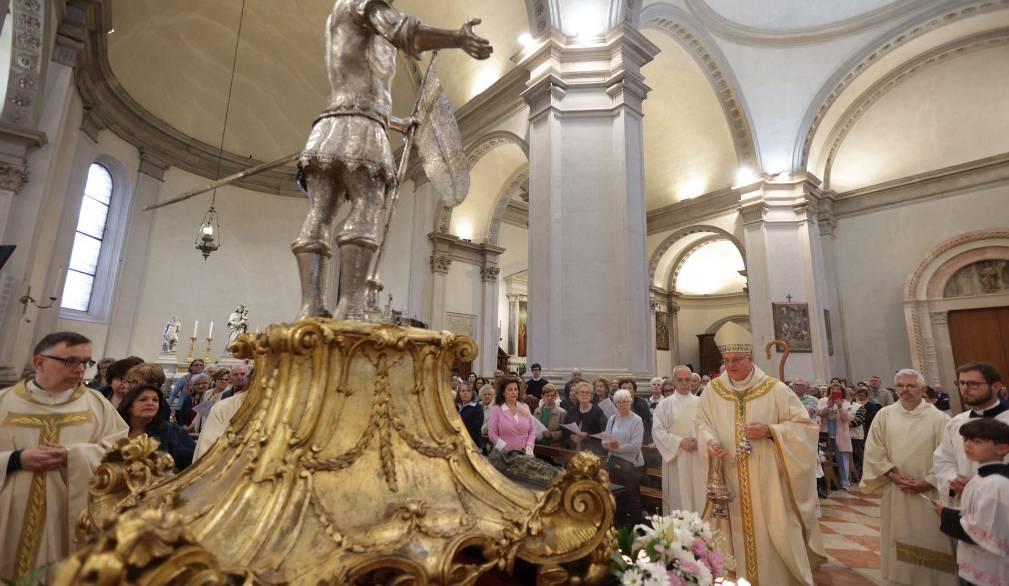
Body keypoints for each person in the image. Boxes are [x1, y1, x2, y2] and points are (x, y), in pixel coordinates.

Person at [292, 0, 491, 319]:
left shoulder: (339, 14)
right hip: (362, 129)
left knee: (322, 211)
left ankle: (311, 307)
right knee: (368, 203)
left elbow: (360, 84)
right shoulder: (366, 4)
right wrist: (457, 37)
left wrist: (398, 123)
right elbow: (406, 33)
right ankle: (352, 305)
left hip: (331, 125)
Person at [695, 322, 825, 586]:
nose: (730, 365)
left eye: (736, 360)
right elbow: (701, 423)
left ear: (751, 359)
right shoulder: (713, 390)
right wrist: (709, 442)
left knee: (770, 528)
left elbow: (805, 427)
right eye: (726, 360)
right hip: (728, 474)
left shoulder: (775, 389)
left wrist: (771, 431)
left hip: (767, 479)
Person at [0, 332, 128, 583]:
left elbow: (121, 452)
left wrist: (74, 455)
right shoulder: (4, 402)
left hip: (70, 515)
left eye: (86, 362)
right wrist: (16, 459)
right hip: (9, 512)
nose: (81, 369)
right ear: (39, 362)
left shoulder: (97, 405)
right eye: (71, 361)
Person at [861, 369, 957, 585]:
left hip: (930, 493)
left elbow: (950, 456)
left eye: (910, 386)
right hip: (897, 491)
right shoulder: (884, 415)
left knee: (932, 539)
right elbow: (874, 449)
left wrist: (928, 481)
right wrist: (892, 474)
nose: (905, 390)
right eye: (900, 386)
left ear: (922, 389)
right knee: (900, 537)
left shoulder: (940, 419)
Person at [931, 418, 1009, 586]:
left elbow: (982, 532)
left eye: (977, 441)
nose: (967, 445)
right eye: (966, 439)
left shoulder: (996, 484)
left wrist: (945, 513)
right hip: (975, 565)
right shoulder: (981, 478)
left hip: (991, 571)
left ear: (1002, 448)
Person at [932, 362, 1009, 507]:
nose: (965, 389)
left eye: (973, 384)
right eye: (961, 383)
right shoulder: (956, 423)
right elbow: (944, 461)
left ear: (996, 387)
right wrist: (954, 481)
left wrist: (983, 487)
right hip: (968, 505)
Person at [652, 364, 705, 514]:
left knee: (698, 498)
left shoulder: (701, 403)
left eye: (687, 380)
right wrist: (680, 442)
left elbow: (709, 428)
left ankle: (700, 535)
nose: (684, 383)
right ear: (673, 382)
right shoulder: (664, 406)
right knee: (678, 500)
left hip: (697, 457)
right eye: (680, 380)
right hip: (675, 459)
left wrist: (699, 441)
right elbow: (658, 432)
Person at [117, 384, 195, 471]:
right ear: (129, 406)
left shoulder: (172, 431)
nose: (150, 403)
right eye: (143, 400)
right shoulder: (114, 429)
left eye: (155, 400)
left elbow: (192, 463)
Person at [604, 389, 644, 528]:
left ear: (630, 402)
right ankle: (620, 528)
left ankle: (636, 530)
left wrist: (615, 448)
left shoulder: (636, 420)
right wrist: (607, 444)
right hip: (615, 464)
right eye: (618, 402)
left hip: (632, 465)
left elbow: (635, 446)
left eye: (625, 401)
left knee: (633, 498)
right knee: (618, 497)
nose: (621, 405)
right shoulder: (612, 418)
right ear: (615, 403)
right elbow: (605, 440)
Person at [818, 384, 854, 490]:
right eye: (833, 389)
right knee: (823, 459)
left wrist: (839, 406)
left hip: (841, 434)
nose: (835, 391)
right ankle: (826, 483)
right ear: (829, 391)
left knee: (842, 458)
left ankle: (844, 481)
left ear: (842, 392)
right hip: (826, 434)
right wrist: (828, 406)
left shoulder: (846, 403)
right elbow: (818, 413)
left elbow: (848, 419)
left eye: (838, 389)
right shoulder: (823, 400)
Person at [487, 378, 536, 455]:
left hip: (525, 454)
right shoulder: (497, 409)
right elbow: (492, 433)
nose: (514, 392)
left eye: (516, 389)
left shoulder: (525, 407)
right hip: (505, 455)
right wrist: (503, 447)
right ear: (503, 393)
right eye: (510, 390)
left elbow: (532, 429)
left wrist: (529, 445)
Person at [562, 381, 607, 455]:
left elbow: (604, 432)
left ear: (591, 396)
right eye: (582, 392)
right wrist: (571, 436)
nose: (585, 394)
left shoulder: (598, 411)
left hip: (593, 452)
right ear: (577, 395)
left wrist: (587, 435)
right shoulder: (571, 411)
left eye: (587, 392)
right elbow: (564, 430)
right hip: (573, 450)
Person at [190, 368, 231, 433]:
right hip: (204, 426)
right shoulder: (208, 392)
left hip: (217, 427)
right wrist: (192, 425)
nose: (223, 381)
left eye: (226, 379)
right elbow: (201, 412)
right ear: (215, 380)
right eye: (221, 379)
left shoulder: (229, 394)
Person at [618, 378, 653, 445]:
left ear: (634, 391)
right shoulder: (616, 403)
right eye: (624, 388)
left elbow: (647, 425)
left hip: (638, 439)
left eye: (629, 388)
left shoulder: (641, 403)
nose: (626, 390)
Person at [456, 382, 482, 447]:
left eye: (468, 390)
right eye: (462, 391)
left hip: (471, 444)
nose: (465, 393)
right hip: (455, 443)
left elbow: (475, 429)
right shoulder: (454, 406)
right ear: (459, 393)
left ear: (472, 393)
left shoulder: (477, 408)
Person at [478, 383, 495, 448]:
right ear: (481, 396)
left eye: (489, 394)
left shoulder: (495, 408)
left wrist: (478, 432)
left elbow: (490, 424)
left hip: (489, 440)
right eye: (484, 394)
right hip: (478, 438)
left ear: (492, 396)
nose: (487, 396)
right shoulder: (477, 406)